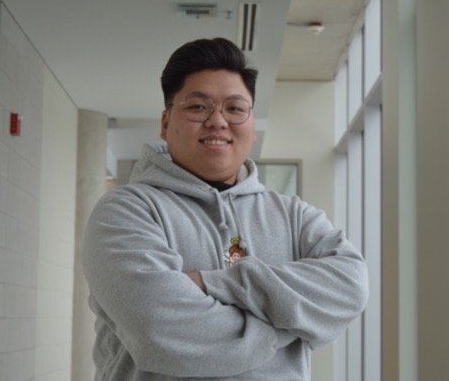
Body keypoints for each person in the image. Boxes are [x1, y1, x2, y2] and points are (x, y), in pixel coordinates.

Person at [82, 37, 369, 380]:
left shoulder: (295, 216)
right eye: (198, 106)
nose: (218, 121)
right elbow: (160, 332)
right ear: (165, 122)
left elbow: (351, 285)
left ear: (252, 127)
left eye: (234, 108)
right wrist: (292, 324)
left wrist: (210, 283)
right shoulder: (126, 211)